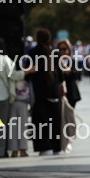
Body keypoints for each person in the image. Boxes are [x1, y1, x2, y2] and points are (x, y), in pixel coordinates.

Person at [28, 28, 64, 156]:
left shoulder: (32, 52)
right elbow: (60, 75)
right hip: (54, 92)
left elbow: (29, 73)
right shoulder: (55, 53)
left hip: (39, 92)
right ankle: (56, 147)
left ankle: (44, 147)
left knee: (41, 121)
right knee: (55, 120)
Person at [56, 39, 82, 108]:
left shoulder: (73, 61)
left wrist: (65, 67)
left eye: (64, 49)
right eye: (60, 49)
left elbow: (76, 75)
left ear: (69, 49)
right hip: (58, 92)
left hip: (71, 92)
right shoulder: (54, 62)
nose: (62, 51)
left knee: (70, 113)